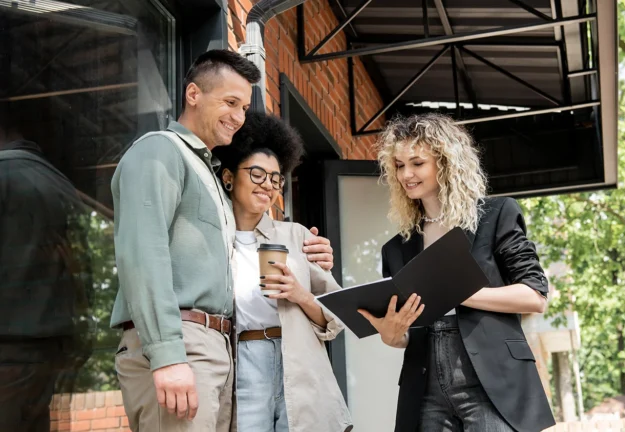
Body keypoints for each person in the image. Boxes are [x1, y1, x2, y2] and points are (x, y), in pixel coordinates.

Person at [110, 50, 335, 431]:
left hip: (216, 350)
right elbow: (143, 256)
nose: (238, 116)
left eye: (244, 107)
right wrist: (167, 355)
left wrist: (307, 247)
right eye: (229, 102)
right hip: (182, 340)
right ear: (193, 94)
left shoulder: (209, 174)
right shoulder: (160, 150)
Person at [358, 113, 556, 432]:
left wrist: (459, 291)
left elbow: (534, 296)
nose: (406, 174)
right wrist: (390, 332)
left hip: (492, 383)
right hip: (426, 390)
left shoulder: (496, 216)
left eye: (417, 163)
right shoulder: (396, 248)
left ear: (446, 162)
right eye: (398, 165)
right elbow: (405, 336)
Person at [213, 111, 352, 432]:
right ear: (229, 176)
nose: (268, 186)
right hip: (243, 360)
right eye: (258, 174)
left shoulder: (297, 236)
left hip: (299, 359)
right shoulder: (213, 241)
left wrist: (300, 295)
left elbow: (336, 317)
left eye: (275, 179)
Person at [0, 104, 93, 431]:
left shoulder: (4, 174)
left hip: (8, 347)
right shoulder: (62, 186)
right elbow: (84, 271)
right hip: (51, 347)